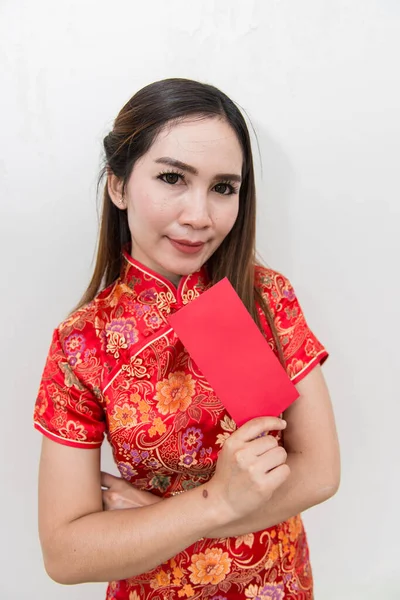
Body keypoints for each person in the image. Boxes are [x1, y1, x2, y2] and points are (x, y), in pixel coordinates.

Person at [33, 77, 340, 600]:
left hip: (280, 586)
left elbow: (318, 474)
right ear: (119, 185)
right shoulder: (81, 344)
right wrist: (216, 503)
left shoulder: (264, 299)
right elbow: (64, 552)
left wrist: (160, 518)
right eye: (173, 178)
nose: (199, 216)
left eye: (224, 187)